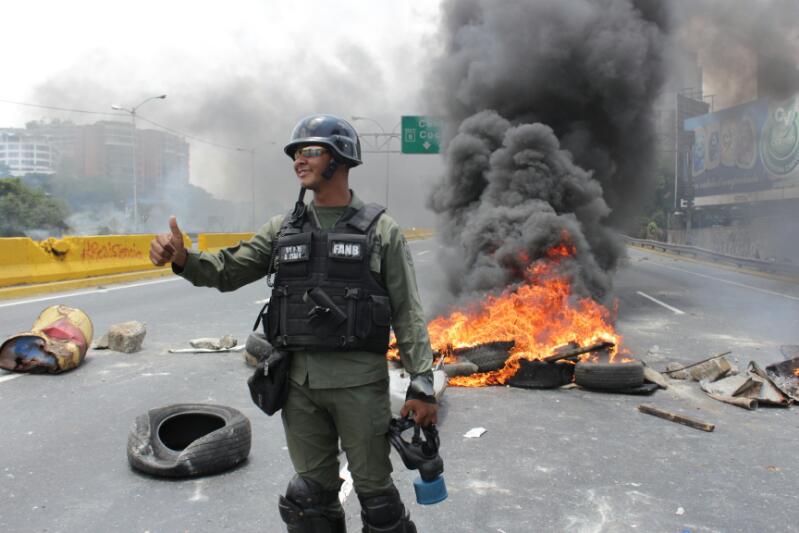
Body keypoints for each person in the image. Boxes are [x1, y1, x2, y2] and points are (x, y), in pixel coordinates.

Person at [149, 114, 437, 533]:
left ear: (340, 160)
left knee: (377, 497)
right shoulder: (283, 229)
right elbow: (229, 270)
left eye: (310, 151)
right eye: (295, 153)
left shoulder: (381, 231)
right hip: (299, 388)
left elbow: (407, 312)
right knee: (310, 499)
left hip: (358, 385)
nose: (299, 160)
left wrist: (422, 383)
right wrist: (183, 259)